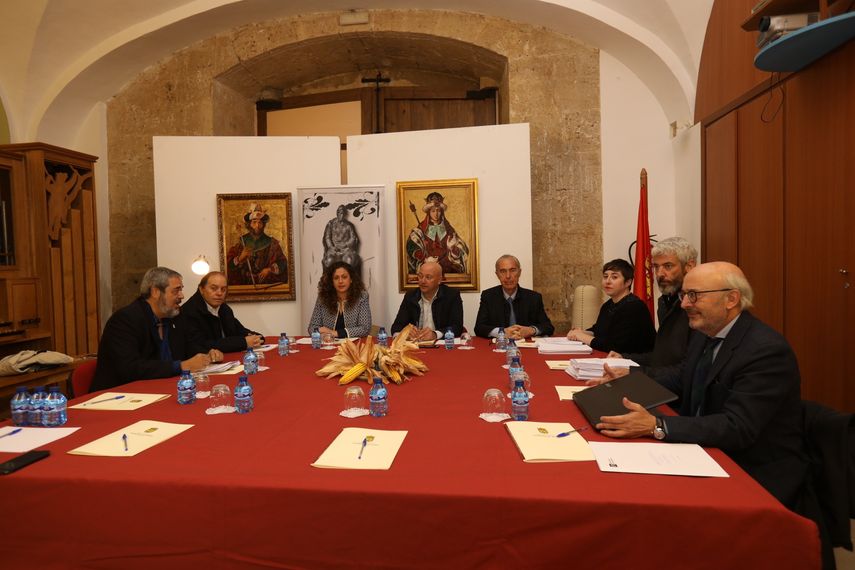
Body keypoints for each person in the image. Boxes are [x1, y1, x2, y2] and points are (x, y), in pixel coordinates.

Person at [593, 262, 808, 509]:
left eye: (693, 295)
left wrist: (657, 425)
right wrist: (629, 376)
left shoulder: (765, 351)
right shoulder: (705, 334)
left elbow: (737, 426)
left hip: (750, 472)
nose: (684, 304)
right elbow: (681, 377)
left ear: (731, 299)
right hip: (700, 451)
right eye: (684, 295)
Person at [91, 267, 222, 392]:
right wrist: (181, 366)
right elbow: (130, 368)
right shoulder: (125, 320)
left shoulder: (175, 316)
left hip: (163, 388)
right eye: (176, 291)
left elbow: (190, 347)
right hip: (119, 395)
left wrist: (208, 354)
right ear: (155, 292)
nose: (182, 296)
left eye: (181, 290)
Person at [612, 237, 697, 367]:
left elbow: (687, 367)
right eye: (656, 267)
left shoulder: (698, 303)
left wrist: (632, 370)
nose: (659, 274)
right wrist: (624, 358)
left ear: (689, 266)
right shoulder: (664, 301)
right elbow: (662, 356)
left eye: (668, 266)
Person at [567, 259, 655, 354]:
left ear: (628, 282)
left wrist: (582, 337)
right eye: (605, 277)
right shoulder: (608, 305)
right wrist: (580, 332)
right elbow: (598, 330)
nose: (607, 281)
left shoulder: (634, 307)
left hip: (636, 360)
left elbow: (614, 346)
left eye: (614, 277)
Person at [175, 270, 264, 353]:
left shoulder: (224, 309)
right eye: (214, 288)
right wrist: (243, 342)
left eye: (223, 289)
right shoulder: (189, 311)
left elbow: (240, 331)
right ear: (201, 289)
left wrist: (257, 338)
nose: (219, 293)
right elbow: (201, 345)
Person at [474, 254, 554, 339]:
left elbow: (548, 327)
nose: (508, 276)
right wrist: (502, 332)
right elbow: (479, 328)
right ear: (497, 275)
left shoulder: (533, 298)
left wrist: (531, 330)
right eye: (503, 271)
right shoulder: (488, 296)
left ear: (519, 272)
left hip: (525, 345)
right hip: (499, 345)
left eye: (512, 270)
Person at [390, 260, 464, 341]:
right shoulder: (411, 296)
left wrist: (435, 334)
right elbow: (396, 327)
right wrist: (406, 332)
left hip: (441, 345)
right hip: (416, 345)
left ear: (439, 280)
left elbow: (457, 327)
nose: (423, 281)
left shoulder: (451, 296)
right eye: (420, 276)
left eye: (428, 277)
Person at [406, 192, 469, 276]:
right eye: (433, 211)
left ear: (442, 212)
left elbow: (462, 248)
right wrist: (424, 258)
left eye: (438, 211)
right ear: (428, 212)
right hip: (427, 264)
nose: (436, 214)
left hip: (446, 265)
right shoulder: (420, 230)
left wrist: (453, 248)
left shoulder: (448, 229)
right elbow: (411, 246)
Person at [226, 203, 288, 286]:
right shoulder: (241, 242)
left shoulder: (272, 243)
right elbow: (228, 265)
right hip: (244, 285)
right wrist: (240, 258)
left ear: (263, 225)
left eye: (260, 223)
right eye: (254, 222)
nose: (257, 226)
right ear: (249, 224)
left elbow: (282, 262)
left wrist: (269, 269)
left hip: (265, 284)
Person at [308, 261, 372, 338]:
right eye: (336, 278)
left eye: (344, 277)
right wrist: (321, 334)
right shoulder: (322, 298)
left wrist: (334, 333)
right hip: (329, 343)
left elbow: (365, 328)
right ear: (331, 281)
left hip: (353, 344)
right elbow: (312, 327)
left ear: (351, 279)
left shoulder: (362, 297)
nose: (340, 281)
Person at [322, 205, 361, 275]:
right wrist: (331, 247)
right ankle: (328, 281)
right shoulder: (331, 224)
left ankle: (349, 279)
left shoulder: (349, 225)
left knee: (349, 261)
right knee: (329, 261)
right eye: (339, 213)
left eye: (343, 213)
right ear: (337, 213)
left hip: (346, 249)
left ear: (345, 214)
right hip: (334, 249)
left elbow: (353, 238)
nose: (341, 215)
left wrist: (346, 245)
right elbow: (327, 237)